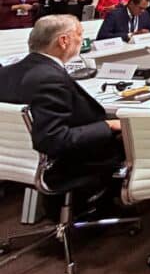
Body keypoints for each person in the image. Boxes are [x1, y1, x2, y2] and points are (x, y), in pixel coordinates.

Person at [0, 15, 123, 190]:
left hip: (16, 159)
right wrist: (108, 125)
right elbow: (55, 139)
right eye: (80, 34)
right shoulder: (49, 78)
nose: (83, 40)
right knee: (133, 138)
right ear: (64, 41)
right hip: (63, 163)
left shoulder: (6, 73)